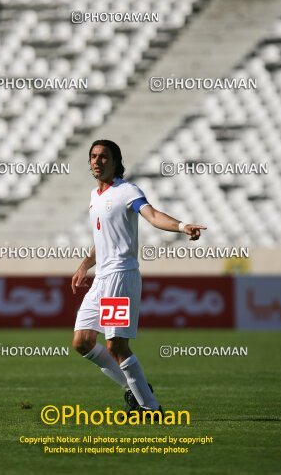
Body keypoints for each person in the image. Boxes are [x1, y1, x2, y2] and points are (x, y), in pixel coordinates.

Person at [71, 140, 206, 416]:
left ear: (116, 161)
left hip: (120, 277)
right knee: (82, 341)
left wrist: (182, 226)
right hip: (101, 279)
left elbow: (153, 215)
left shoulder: (126, 191)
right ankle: (137, 388)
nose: (97, 161)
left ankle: (150, 408)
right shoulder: (95, 196)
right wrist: (85, 264)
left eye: (104, 157)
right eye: (93, 156)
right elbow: (103, 238)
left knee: (116, 345)